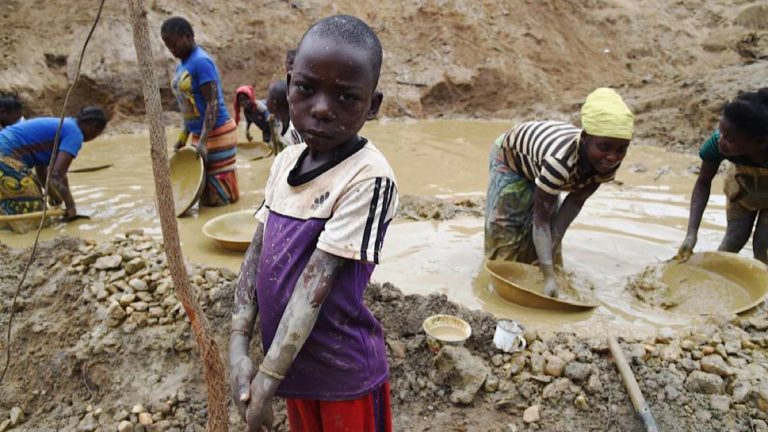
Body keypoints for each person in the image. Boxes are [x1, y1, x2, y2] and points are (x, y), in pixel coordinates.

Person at [229, 15, 396, 432]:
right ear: (289, 85)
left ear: (372, 106)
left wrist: (266, 378)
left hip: (342, 372)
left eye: (346, 98)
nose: (322, 108)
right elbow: (257, 252)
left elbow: (314, 285)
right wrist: (237, 346)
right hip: (290, 367)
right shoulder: (286, 161)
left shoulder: (369, 177)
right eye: (306, 88)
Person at [485, 88, 634, 298]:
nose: (613, 157)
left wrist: (552, 249)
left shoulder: (607, 163)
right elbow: (541, 221)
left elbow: (575, 201)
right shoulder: (559, 162)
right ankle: (497, 285)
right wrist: (548, 278)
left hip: (546, 164)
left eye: (621, 149)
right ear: (585, 138)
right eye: (605, 147)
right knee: (507, 225)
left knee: (549, 237)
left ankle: (539, 270)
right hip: (512, 156)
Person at [677, 88, 768, 264]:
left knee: (764, 247)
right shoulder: (718, 144)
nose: (721, 141)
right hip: (742, 189)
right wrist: (691, 234)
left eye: (730, 139)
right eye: (721, 133)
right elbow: (703, 183)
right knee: (734, 239)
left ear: (761, 142)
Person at [161, 16, 239, 207]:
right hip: (200, 135)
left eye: (174, 43)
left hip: (217, 133)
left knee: (219, 192)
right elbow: (188, 107)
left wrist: (204, 140)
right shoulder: (182, 65)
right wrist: (183, 137)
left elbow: (211, 104)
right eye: (167, 45)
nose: (171, 49)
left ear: (188, 36)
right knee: (201, 191)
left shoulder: (201, 62)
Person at [0, 107, 107, 233]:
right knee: (36, 217)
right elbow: (57, 175)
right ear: (93, 126)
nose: (95, 137)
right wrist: (71, 205)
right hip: (5, 156)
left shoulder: (65, 125)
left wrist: (54, 195)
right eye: (98, 133)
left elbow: (42, 171)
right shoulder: (75, 133)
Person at [265, 80, 302, 153]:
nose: (266, 101)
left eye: (268, 97)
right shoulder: (279, 123)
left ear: (274, 104)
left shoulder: (295, 131)